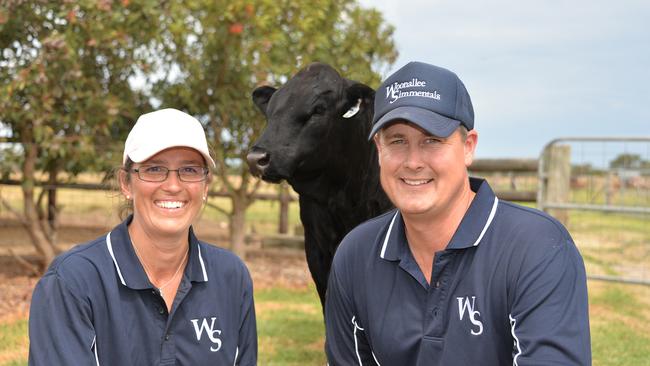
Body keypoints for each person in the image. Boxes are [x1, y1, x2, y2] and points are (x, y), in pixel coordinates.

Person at [324, 62, 591, 365]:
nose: (413, 162)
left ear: (468, 146)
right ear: (378, 149)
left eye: (432, 140)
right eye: (397, 140)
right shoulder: (356, 254)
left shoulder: (538, 248)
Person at [29, 108, 257, 365]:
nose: (173, 186)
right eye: (154, 169)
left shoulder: (231, 277)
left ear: (206, 186)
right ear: (126, 183)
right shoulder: (73, 281)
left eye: (190, 170)